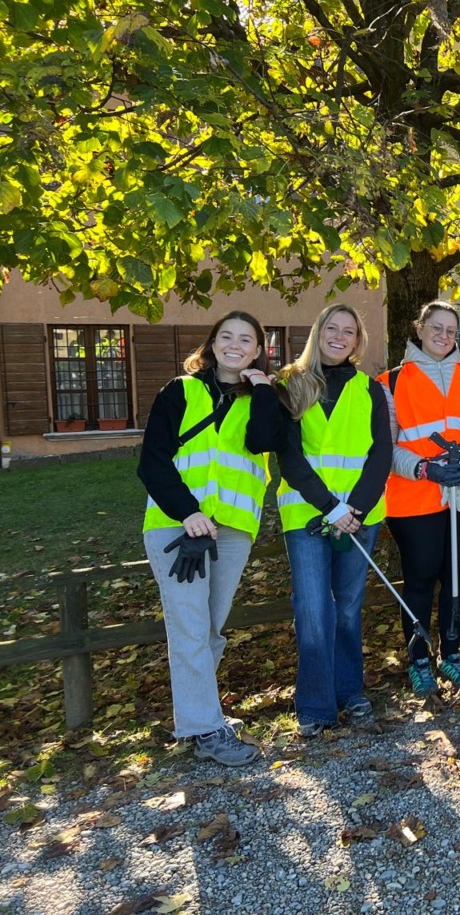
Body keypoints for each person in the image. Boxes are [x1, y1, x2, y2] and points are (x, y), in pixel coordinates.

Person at [138, 312, 277, 767]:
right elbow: (152, 462)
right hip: (177, 527)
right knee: (190, 628)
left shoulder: (260, 397)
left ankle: (201, 715)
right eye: (226, 337)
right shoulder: (180, 391)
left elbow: (261, 442)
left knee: (211, 626)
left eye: (246, 340)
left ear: (258, 349)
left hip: (233, 529)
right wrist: (189, 513)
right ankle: (205, 728)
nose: (234, 346)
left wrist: (262, 392)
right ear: (212, 343)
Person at [275, 304, 392, 735]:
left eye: (349, 332)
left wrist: (355, 508)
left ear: (358, 341)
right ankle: (315, 706)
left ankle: (350, 692)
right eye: (332, 328)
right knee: (312, 609)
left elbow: (381, 454)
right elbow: (288, 455)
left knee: (347, 609)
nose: (339, 337)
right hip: (307, 513)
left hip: (362, 516)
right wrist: (331, 507)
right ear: (317, 331)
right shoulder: (290, 384)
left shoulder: (370, 389)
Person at [379, 301, 460, 693]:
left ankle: (451, 654)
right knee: (419, 578)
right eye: (437, 327)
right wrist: (424, 468)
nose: (444, 335)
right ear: (419, 327)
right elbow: (387, 444)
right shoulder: (391, 381)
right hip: (414, 497)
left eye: (452, 329)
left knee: (458, 577)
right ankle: (419, 659)